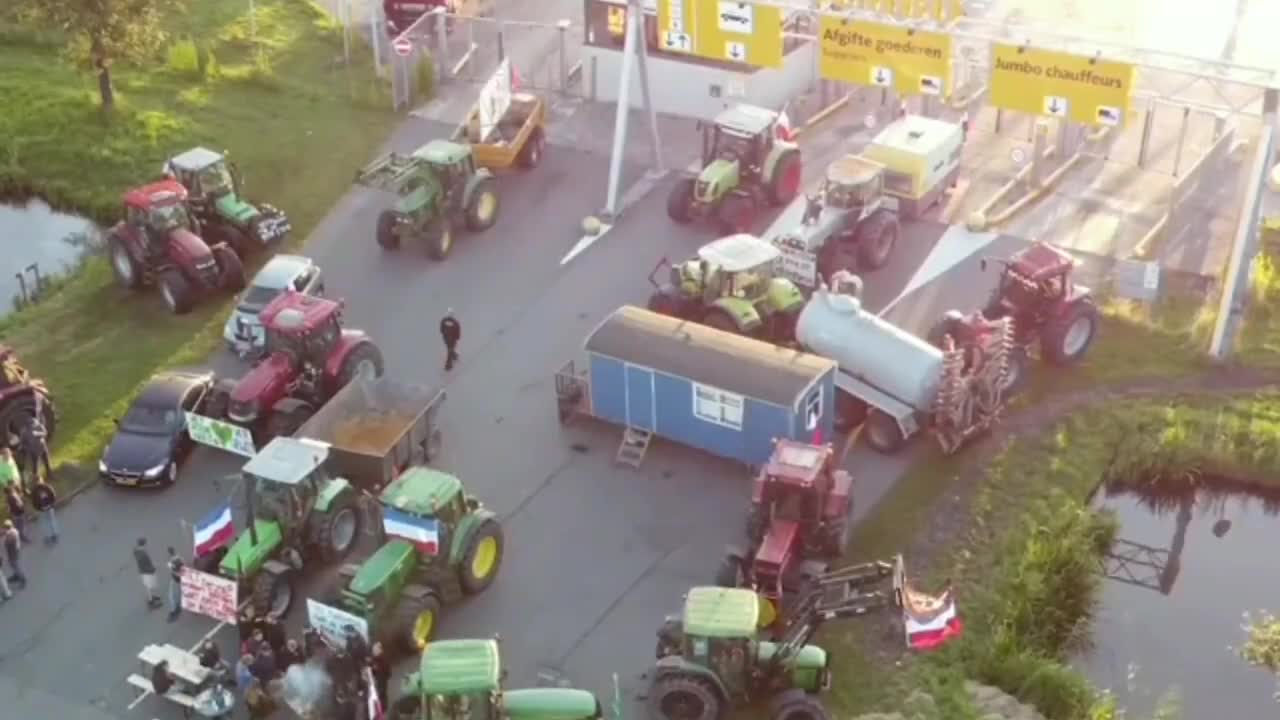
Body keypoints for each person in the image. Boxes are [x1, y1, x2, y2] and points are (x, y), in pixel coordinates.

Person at [18, 417, 51, 489]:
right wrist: (27, 448)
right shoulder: (24, 432)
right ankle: (36, 481)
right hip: (33, 451)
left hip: (42, 447)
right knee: (35, 466)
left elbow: (45, 433)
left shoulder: (39, 425)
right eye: (31, 425)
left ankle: (49, 474)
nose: (34, 425)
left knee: (46, 461)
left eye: (34, 424)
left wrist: (38, 433)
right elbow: (22, 443)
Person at [133, 537, 162, 609]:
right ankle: (151, 602)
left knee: (148, 586)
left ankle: (151, 597)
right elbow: (147, 564)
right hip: (147, 572)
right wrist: (153, 568)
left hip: (142, 571)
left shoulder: (137, 551)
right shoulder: (143, 554)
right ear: (144, 544)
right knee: (150, 586)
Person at [29, 479, 56, 544]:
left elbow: (53, 495)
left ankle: (51, 535)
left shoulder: (37, 490)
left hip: (45, 508)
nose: (38, 483)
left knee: (48, 522)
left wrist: (51, 504)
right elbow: (34, 501)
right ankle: (51, 535)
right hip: (44, 508)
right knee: (49, 522)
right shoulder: (45, 487)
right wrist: (51, 504)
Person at [368, 641, 391, 711]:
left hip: (382, 677)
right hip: (379, 677)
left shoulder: (382, 658)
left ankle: (384, 707)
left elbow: (386, 668)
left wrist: (376, 669)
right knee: (381, 692)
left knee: (382, 692)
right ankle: (383, 706)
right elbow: (373, 669)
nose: (374, 652)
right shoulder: (375, 659)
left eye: (375, 651)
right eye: (374, 651)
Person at [3, 520, 24, 588]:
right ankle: (16, 575)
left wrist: (6, 541)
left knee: (15, 565)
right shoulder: (13, 530)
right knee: (12, 564)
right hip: (14, 551)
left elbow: (9, 542)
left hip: (13, 552)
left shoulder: (11, 533)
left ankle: (22, 578)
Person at [165, 547, 184, 622]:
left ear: (169, 553)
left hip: (175, 579)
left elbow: (173, 571)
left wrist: (171, 568)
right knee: (179, 592)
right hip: (180, 579)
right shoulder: (180, 558)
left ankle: (174, 610)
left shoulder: (171, 562)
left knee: (171, 595)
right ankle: (179, 604)